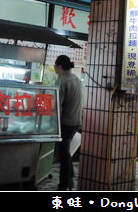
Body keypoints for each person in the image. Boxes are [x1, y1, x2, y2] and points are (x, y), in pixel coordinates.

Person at [54, 55, 83, 190]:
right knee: (66, 152)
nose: (54, 69)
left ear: (60, 66)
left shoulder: (62, 80)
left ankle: (64, 184)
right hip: (76, 121)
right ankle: (70, 179)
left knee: (64, 154)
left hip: (65, 122)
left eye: (55, 66)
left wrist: (53, 121)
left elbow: (57, 104)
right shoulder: (76, 79)